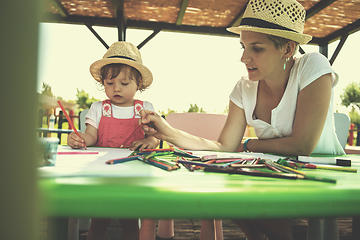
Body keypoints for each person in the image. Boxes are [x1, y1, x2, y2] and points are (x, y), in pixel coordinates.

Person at [138, 0, 345, 239]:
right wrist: (167, 132)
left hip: (322, 175)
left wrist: (249, 145)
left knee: (256, 202)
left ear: (288, 49)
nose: (244, 58)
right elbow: (224, 147)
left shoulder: (313, 65)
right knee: (226, 191)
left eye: (256, 48)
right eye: (243, 47)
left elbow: (302, 145)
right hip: (276, 176)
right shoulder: (244, 87)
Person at [67, 41, 160, 240]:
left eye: (124, 83)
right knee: (99, 218)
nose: (116, 89)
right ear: (103, 83)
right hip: (103, 172)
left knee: (130, 220)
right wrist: (78, 138)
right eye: (110, 83)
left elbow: (155, 138)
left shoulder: (145, 108)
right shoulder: (99, 108)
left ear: (139, 84)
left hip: (133, 173)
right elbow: (91, 136)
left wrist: (150, 142)